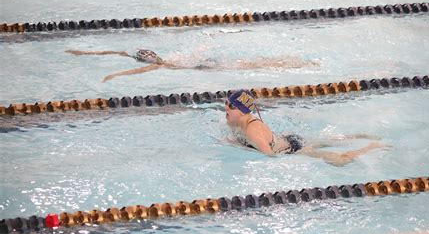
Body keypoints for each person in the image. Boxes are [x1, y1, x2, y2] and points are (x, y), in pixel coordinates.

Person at [225, 89, 389, 166]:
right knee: (324, 141)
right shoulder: (235, 120)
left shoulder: (252, 130)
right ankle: (359, 136)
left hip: (293, 149)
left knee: (339, 161)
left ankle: (371, 147)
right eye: (226, 102)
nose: (226, 107)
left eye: (231, 106)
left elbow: (271, 155)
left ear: (242, 111)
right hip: (288, 140)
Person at [65, 49, 320, 83]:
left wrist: (113, 75)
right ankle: (298, 63)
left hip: (206, 68)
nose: (151, 56)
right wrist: (85, 53)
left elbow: (136, 68)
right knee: (254, 62)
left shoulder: (163, 65)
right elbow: (123, 54)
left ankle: (298, 64)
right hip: (204, 64)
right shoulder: (167, 62)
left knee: (254, 63)